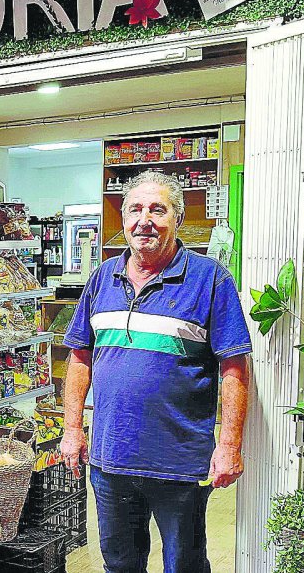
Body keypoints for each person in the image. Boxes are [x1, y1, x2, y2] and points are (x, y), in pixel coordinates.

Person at [59, 170, 252, 573]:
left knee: (184, 565)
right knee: (119, 564)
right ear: (124, 218)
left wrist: (229, 445)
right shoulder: (102, 278)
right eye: (135, 209)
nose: (144, 220)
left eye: (157, 210)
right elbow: (79, 358)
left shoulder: (210, 279)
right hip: (111, 459)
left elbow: (234, 366)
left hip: (178, 461)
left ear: (177, 218)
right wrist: (72, 429)